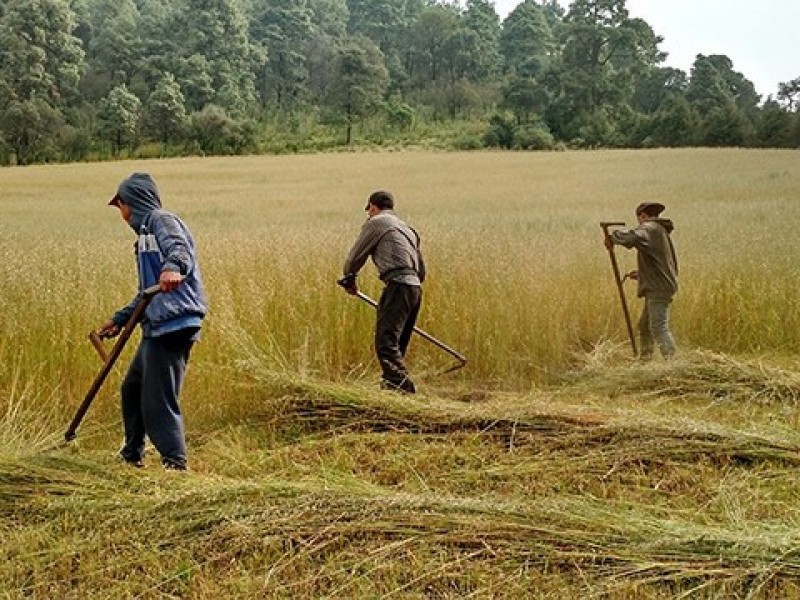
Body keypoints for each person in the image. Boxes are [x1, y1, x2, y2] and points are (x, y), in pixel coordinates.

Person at [98, 173, 208, 470]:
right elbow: (147, 293)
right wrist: (120, 320)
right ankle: (132, 453)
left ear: (129, 204)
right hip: (157, 324)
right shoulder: (144, 238)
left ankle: (175, 464)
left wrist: (173, 268)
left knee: (157, 398)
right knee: (132, 389)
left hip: (175, 321)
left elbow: (179, 249)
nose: (121, 215)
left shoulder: (162, 220)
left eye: (120, 206)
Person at [340, 190, 425, 393]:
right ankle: (392, 387)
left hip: (398, 284)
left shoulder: (377, 222)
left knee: (385, 342)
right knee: (397, 343)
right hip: (414, 288)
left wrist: (349, 278)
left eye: (368, 209)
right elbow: (421, 269)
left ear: (373, 206)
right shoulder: (407, 228)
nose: (368, 213)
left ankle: (403, 388)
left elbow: (355, 256)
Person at [605, 201, 678, 360]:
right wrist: (642, 273)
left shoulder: (649, 228)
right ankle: (646, 360)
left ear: (643, 216)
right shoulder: (659, 230)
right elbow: (660, 261)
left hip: (659, 287)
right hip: (658, 284)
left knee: (659, 327)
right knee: (645, 326)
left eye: (639, 218)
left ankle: (673, 363)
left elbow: (632, 237)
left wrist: (612, 237)